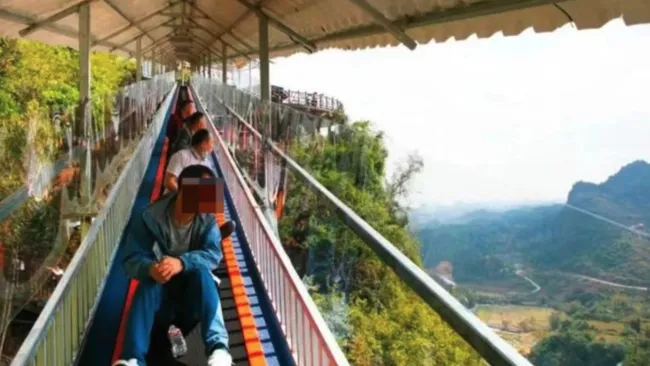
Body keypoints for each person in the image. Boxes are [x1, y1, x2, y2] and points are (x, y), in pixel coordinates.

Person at [113, 165, 232, 366]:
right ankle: (131, 358)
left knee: (203, 275)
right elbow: (130, 260)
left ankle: (219, 350)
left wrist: (182, 262)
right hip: (160, 300)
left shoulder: (207, 221)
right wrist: (150, 268)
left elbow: (213, 255)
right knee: (149, 282)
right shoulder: (149, 217)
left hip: (190, 298)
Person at [164, 129, 213, 194]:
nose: (212, 146)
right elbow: (169, 182)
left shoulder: (207, 164)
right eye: (212, 142)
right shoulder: (181, 156)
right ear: (203, 144)